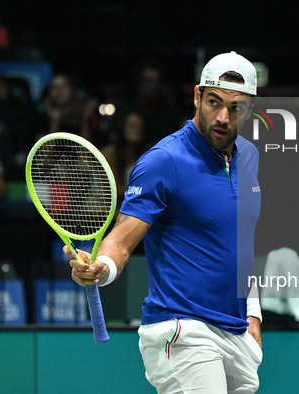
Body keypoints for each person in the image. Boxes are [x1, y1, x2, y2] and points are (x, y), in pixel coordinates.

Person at [65, 51, 263, 393]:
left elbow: (241, 242)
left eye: (236, 108)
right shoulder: (164, 161)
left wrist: (254, 311)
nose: (223, 117)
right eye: (215, 102)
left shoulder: (250, 158)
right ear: (197, 96)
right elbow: (123, 238)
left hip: (235, 332)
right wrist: (102, 266)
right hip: (183, 330)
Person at [101, 111, 151, 208]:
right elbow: (112, 191)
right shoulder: (108, 155)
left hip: (136, 213)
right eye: (132, 126)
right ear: (122, 128)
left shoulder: (147, 156)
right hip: (110, 214)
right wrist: (142, 191)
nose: (138, 130)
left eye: (141, 126)